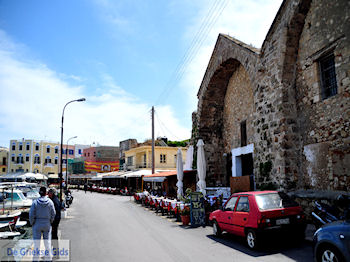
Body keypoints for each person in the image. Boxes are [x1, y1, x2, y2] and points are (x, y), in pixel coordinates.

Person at [29, 187, 56, 261]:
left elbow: (31, 214)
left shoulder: (35, 202)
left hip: (37, 223)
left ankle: (35, 260)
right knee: (47, 243)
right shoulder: (50, 202)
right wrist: (50, 221)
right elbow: (53, 213)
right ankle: (48, 259)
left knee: (36, 244)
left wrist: (32, 223)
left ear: (39, 193)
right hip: (47, 223)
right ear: (46, 193)